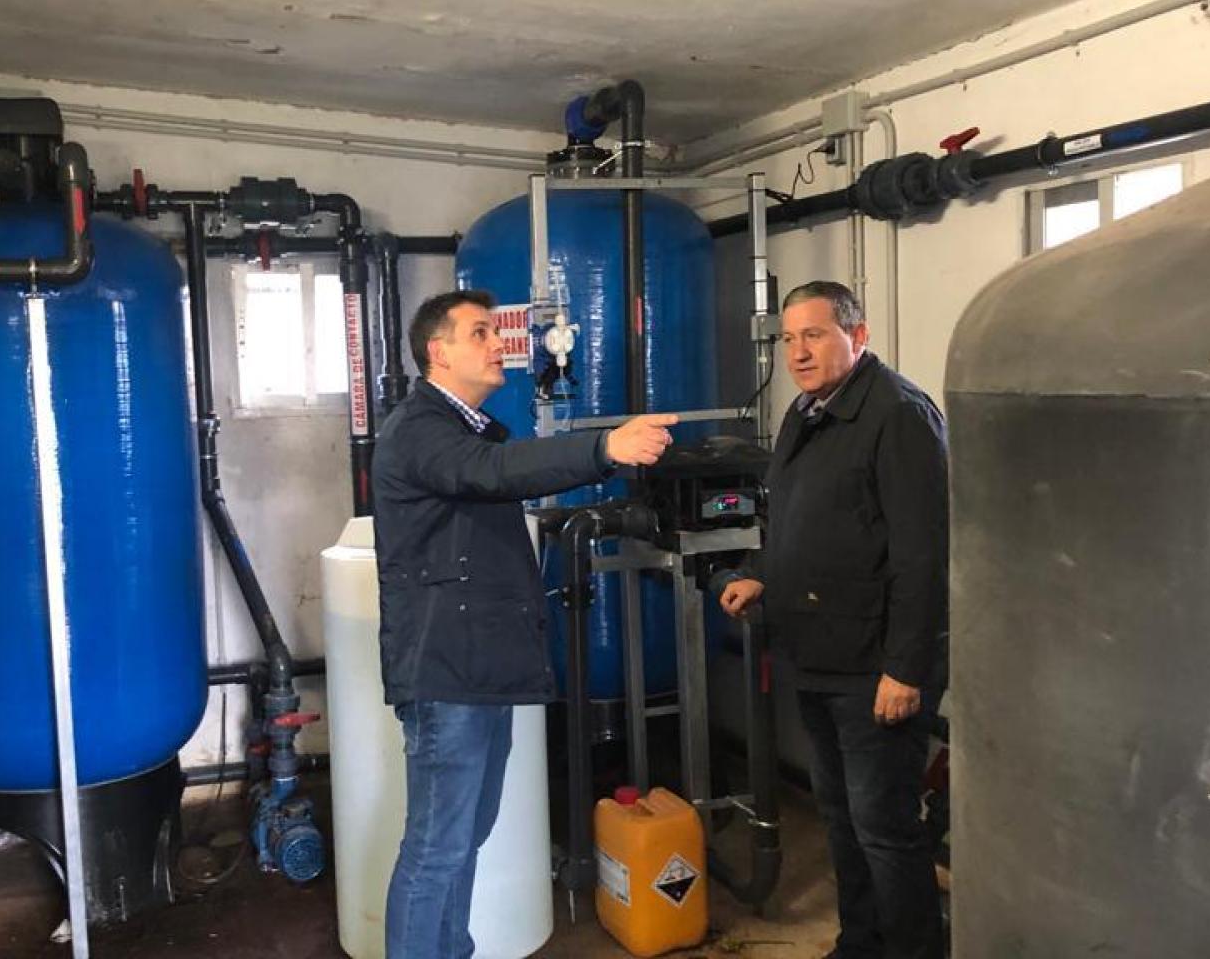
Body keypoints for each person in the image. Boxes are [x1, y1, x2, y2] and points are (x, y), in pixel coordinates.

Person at [374, 289, 678, 958]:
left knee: (465, 836)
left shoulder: (470, 429)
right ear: (438, 351)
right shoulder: (421, 429)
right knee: (436, 848)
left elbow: (494, 477)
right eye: (480, 333)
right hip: (447, 673)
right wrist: (604, 448)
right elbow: (492, 474)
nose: (498, 344)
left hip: (478, 667)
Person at [720, 280, 948, 959]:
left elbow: (925, 555)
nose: (798, 352)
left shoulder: (898, 415)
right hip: (819, 652)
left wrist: (905, 669)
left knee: (885, 829)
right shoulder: (807, 412)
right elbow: (798, 520)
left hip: (875, 666)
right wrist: (762, 571)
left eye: (814, 335)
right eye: (789, 338)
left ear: (859, 335)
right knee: (844, 821)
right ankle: (861, 945)